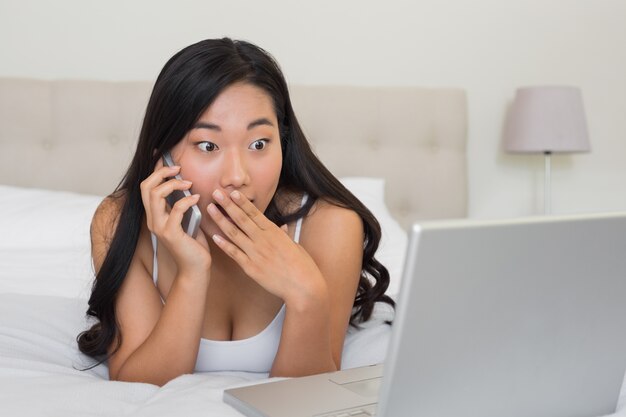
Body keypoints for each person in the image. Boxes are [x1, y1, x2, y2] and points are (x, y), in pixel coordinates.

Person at [77, 38, 394, 386]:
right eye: (208, 146)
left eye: (259, 144)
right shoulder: (119, 222)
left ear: (282, 143)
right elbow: (137, 383)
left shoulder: (330, 224)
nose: (237, 177)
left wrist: (307, 295)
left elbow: (305, 396)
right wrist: (192, 272)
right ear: (163, 157)